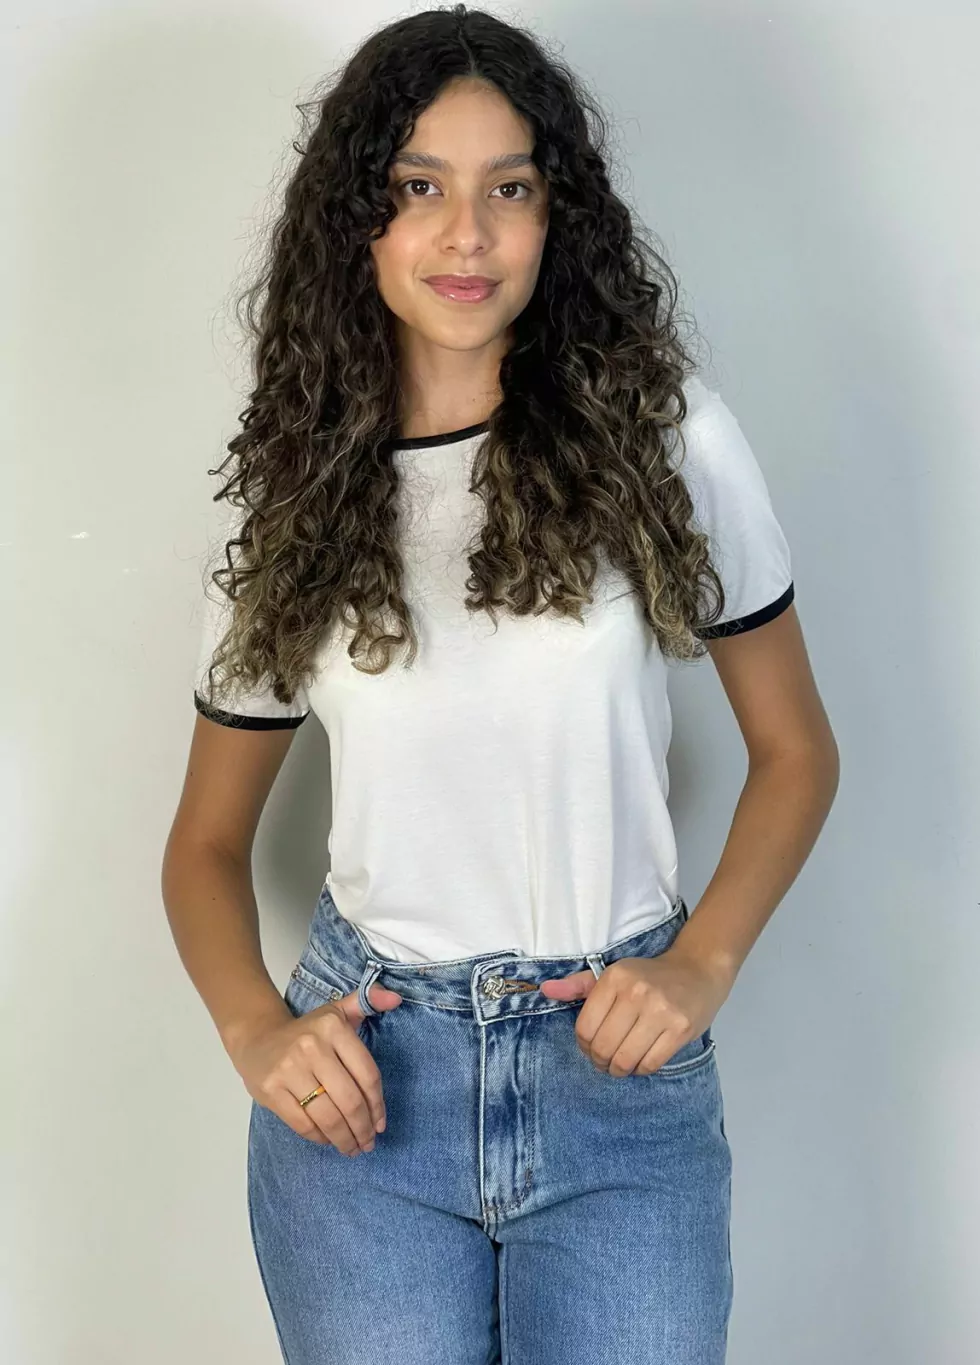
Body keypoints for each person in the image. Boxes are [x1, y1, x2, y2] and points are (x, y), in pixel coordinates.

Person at [162, 6, 840, 1362]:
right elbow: (205, 845)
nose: (466, 236)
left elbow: (796, 751)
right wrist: (254, 1028)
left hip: (616, 1083)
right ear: (357, 222)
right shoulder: (301, 497)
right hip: (369, 1096)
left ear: (555, 215)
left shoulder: (666, 440)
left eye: (509, 190)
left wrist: (701, 962)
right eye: (420, 188)